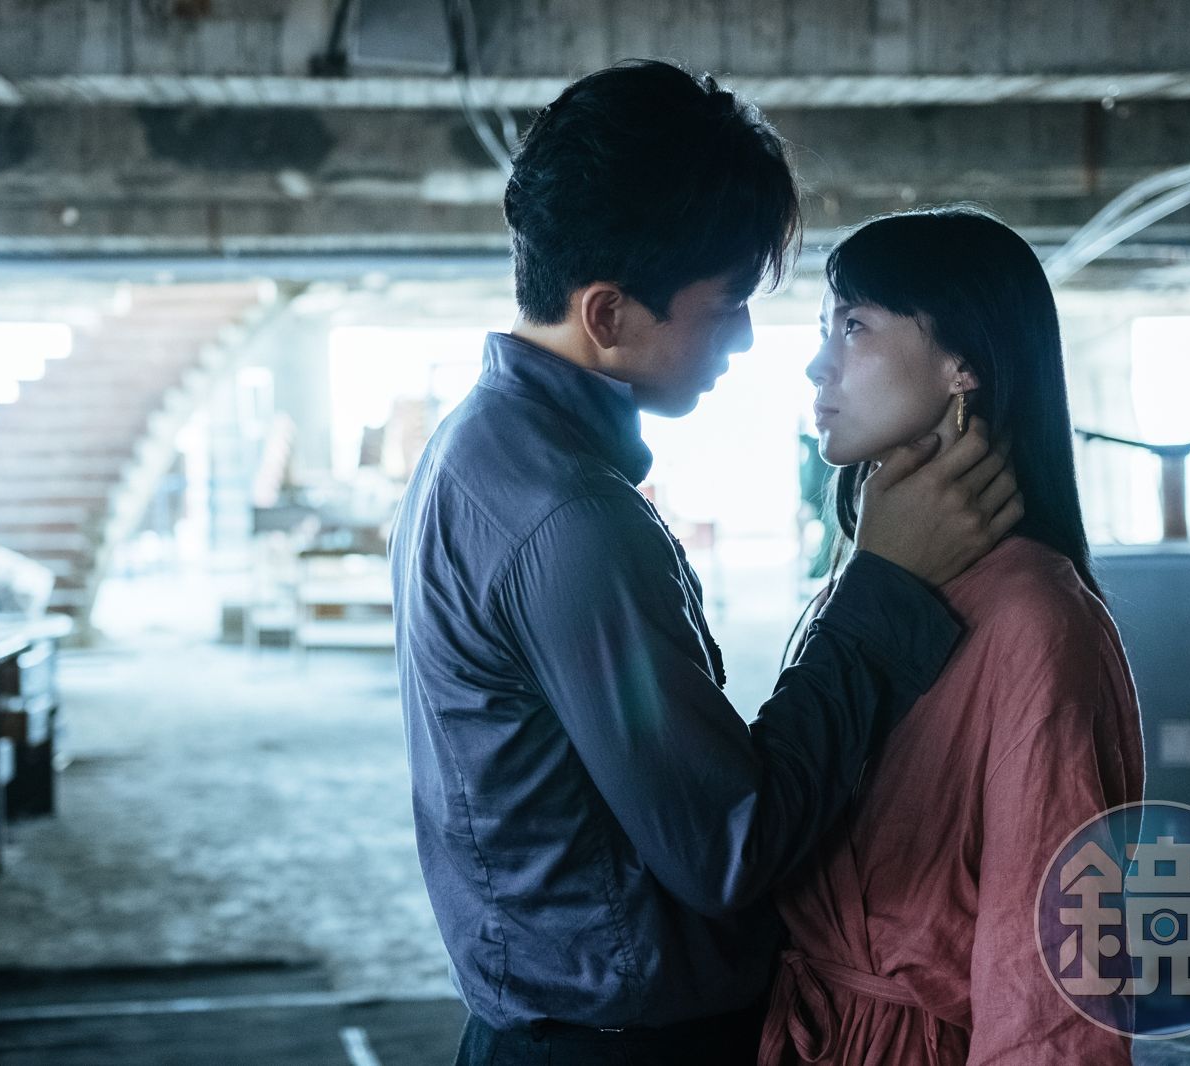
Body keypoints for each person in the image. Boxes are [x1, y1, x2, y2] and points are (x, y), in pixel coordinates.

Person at [389, 62, 1022, 1066]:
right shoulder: (570, 519)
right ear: (607, 315)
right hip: (620, 1048)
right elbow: (730, 847)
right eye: (725, 304)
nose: (744, 339)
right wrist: (886, 583)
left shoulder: (479, 449)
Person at [760, 207, 1145, 1065]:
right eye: (825, 328)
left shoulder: (1034, 621)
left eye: (853, 326)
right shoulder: (872, 583)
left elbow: (1049, 989)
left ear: (963, 364)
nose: (819, 362)